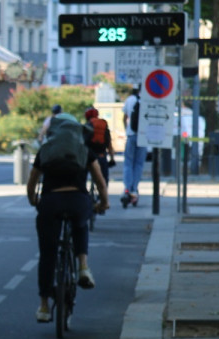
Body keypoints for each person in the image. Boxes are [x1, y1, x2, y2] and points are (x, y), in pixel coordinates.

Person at [27, 113, 110, 323]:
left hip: (50, 203)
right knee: (80, 224)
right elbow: (100, 181)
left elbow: (32, 180)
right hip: (77, 200)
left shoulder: (46, 150)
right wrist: (103, 203)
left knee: (48, 254)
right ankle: (83, 266)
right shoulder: (84, 150)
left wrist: (33, 199)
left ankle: (44, 306)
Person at [122, 86, 148, 206]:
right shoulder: (148, 100)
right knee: (138, 164)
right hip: (143, 136)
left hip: (131, 135)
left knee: (128, 162)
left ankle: (127, 188)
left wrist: (126, 130)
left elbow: (124, 117)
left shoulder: (130, 100)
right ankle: (134, 188)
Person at [84, 107, 116, 191]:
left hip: (87, 157)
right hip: (101, 156)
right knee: (104, 179)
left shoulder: (86, 126)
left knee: (82, 176)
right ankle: (103, 197)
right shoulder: (103, 127)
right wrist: (112, 159)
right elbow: (109, 145)